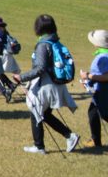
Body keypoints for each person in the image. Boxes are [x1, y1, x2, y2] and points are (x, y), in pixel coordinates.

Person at [12, 14, 79, 154]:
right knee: (45, 114)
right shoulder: (56, 42)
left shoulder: (43, 44)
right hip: (56, 84)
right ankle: (69, 136)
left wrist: (21, 77)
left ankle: (39, 146)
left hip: (45, 85)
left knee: (36, 111)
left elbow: (40, 68)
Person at [80, 30, 108, 148]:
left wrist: (88, 76)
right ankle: (95, 140)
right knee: (93, 113)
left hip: (104, 91)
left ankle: (95, 140)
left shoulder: (104, 56)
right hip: (100, 90)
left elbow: (106, 76)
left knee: (105, 115)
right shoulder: (103, 54)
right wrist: (88, 81)